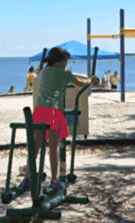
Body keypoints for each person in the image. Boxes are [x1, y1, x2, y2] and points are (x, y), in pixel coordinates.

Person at [22, 47, 94, 193]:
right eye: (66, 61)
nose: (66, 64)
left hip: (40, 111)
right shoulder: (64, 73)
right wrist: (91, 80)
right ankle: (54, 180)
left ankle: (28, 178)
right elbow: (80, 83)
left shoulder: (43, 72)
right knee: (53, 147)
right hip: (54, 112)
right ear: (60, 61)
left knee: (35, 146)